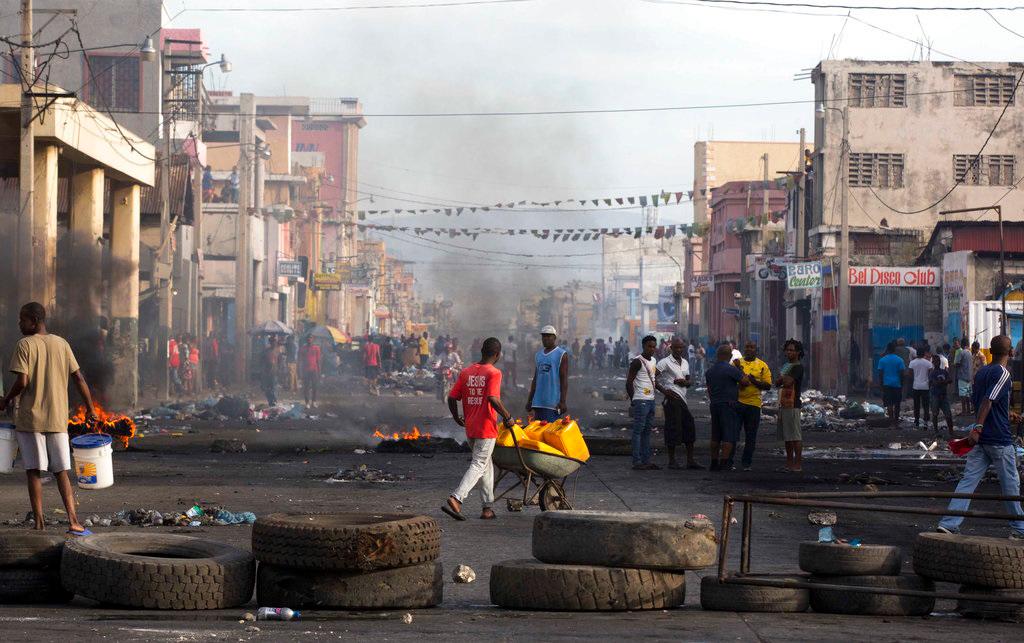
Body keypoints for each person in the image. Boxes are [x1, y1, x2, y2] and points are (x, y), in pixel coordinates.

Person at [0, 303, 96, 535]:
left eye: (22, 320)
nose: (19, 324)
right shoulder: (62, 343)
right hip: (57, 418)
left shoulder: (24, 344)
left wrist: (6, 400)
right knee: (61, 470)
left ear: (34, 320)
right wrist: (90, 409)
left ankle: (39, 523)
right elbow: (79, 378)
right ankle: (73, 521)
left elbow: (22, 382)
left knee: (34, 470)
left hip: (30, 419)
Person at [937, 335, 1024, 540]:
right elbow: (988, 401)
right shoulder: (1003, 373)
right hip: (998, 440)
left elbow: (986, 402)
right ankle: (1020, 529)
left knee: (968, 482)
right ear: (1010, 352)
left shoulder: (982, 372)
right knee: (1011, 485)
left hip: (982, 441)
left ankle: (949, 523)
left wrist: (1008, 415)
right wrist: (977, 427)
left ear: (991, 351)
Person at [442, 337, 513, 521]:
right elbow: (493, 399)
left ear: (482, 351)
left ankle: (487, 508)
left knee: (486, 465)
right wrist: (508, 417)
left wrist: (457, 417)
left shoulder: (466, 372)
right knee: (479, 464)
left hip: (470, 428)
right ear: (497, 355)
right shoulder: (494, 373)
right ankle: (457, 497)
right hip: (486, 428)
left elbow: (452, 397)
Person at [656, 337, 701, 469]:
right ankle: (672, 461)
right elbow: (652, 377)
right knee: (672, 428)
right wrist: (664, 391)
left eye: (681, 347)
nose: (679, 350)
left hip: (683, 399)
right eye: (676, 347)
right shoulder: (664, 362)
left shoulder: (685, 362)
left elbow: (689, 381)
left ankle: (690, 460)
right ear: (671, 348)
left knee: (689, 426)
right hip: (672, 399)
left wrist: (684, 382)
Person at [705, 344, 749, 471]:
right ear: (729, 356)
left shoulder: (710, 371)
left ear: (717, 355)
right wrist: (740, 368)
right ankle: (724, 463)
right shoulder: (731, 369)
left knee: (715, 435)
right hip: (728, 405)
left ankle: (714, 463)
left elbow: (709, 389)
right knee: (728, 435)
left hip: (714, 404)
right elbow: (745, 382)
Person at [733, 341, 772, 471]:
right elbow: (730, 381)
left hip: (754, 404)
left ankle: (746, 463)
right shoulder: (736, 363)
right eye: (747, 347)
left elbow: (768, 385)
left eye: (752, 347)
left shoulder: (762, 365)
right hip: (737, 403)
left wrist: (754, 381)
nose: (749, 349)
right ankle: (729, 461)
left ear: (756, 349)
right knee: (733, 434)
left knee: (751, 436)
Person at [626, 335, 660, 470]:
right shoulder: (637, 362)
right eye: (649, 346)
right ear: (644, 346)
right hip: (641, 401)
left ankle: (646, 460)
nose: (652, 349)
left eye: (654, 346)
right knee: (638, 431)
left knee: (647, 431)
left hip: (651, 401)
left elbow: (653, 379)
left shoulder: (654, 361)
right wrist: (634, 400)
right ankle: (637, 461)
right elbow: (628, 383)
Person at [526, 326, 568, 422]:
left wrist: (563, 401)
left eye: (548, 336)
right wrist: (530, 400)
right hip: (538, 403)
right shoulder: (538, 355)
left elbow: (564, 379)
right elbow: (535, 379)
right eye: (543, 336)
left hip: (552, 404)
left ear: (554, 338)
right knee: (538, 433)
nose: (545, 338)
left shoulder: (561, 354)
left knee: (550, 433)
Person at [776, 339, 805, 473]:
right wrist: (782, 379)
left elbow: (787, 382)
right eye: (787, 350)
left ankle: (797, 464)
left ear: (798, 352)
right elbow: (778, 382)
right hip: (784, 403)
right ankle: (789, 463)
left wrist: (782, 379)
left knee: (795, 436)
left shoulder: (798, 367)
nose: (788, 352)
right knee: (787, 437)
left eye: (791, 350)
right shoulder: (787, 365)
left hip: (793, 404)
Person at [878, 342, 906, 428]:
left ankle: (891, 423)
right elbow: (902, 373)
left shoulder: (882, 360)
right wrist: (902, 384)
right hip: (897, 385)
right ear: (894, 350)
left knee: (889, 404)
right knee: (897, 404)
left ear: (887, 349)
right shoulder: (900, 360)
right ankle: (896, 422)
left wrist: (881, 386)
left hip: (886, 385)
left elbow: (880, 374)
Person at [929, 353, 954, 438]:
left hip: (943, 396)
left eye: (938, 361)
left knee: (948, 414)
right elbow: (934, 383)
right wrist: (944, 382)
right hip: (935, 395)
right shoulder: (932, 373)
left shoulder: (943, 371)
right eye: (935, 361)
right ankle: (936, 431)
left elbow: (950, 380)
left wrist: (941, 382)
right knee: (935, 414)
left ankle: (951, 431)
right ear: (933, 362)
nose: (937, 363)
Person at [909, 349, 933, 428]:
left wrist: (915, 379)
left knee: (916, 404)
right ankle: (926, 421)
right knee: (925, 404)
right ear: (924, 354)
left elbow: (910, 374)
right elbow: (930, 374)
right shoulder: (928, 363)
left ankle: (916, 420)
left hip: (916, 386)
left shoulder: (912, 363)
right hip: (925, 386)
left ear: (917, 354)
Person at [299, 336, 322, 408]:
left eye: (311, 338)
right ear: (306, 340)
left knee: (315, 386)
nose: (309, 339)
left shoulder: (316, 348)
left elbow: (318, 360)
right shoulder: (303, 349)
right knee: (306, 387)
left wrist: (319, 371)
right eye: (308, 338)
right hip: (306, 371)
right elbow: (300, 361)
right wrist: (300, 371)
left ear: (313, 339)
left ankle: (314, 402)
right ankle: (307, 403)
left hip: (314, 370)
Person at [954, 338, 973, 415]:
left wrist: (955, 365)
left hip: (962, 376)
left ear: (962, 344)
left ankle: (964, 411)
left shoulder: (961, 353)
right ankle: (968, 410)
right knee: (968, 394)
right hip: (969, 376)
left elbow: (957, 363)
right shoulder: (969, 352)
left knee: (963, 395)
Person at [261, 336, 281, 406]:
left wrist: (280, 370)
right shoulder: (266, 351)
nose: (273, 343)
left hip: (274, 372)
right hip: (267, 372)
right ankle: (270, 402)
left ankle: (274, 401)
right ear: (270, 342)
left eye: (274, 342)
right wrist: (263, 371)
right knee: (267, 389)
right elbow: (262, 361)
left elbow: (280, 361)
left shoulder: (278, 351)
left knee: (274, 388)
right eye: (272, 342)